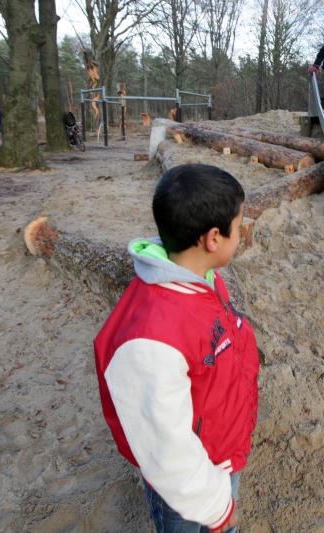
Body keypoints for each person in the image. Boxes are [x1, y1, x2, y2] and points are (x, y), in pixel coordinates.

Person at [93, 164, 260, 533]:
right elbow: (166, 451)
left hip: (220, 455)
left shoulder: (201, 277)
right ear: (213, 238)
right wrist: (217, 509)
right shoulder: (150, 341)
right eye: (240, 225)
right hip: (187, 484)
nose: (243, 233)